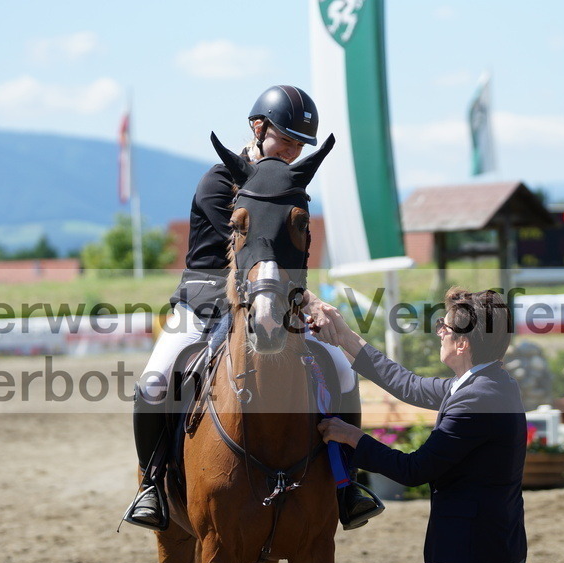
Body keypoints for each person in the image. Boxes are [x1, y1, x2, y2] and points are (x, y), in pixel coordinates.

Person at [125, 84, 381, 531]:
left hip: (275, 302)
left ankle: (347, 484)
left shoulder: (292, 187)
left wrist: (298, 297)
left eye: (299, 146)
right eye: (285, 140)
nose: (291, 152)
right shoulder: (218, 181)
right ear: (258, 128)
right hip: (205, 301)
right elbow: (240, 258)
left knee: (341, 370)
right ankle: (152, 484)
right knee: (154, 381)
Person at [314, 288, 528, 563]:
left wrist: (353, 438)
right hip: (502, 551)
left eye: (443, 326)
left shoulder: (474, 400)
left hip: (474, 559)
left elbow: (414, 469)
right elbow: (407, 385)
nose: (439, 332)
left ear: (462, 343)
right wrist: (345, 335)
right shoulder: (491, 383)